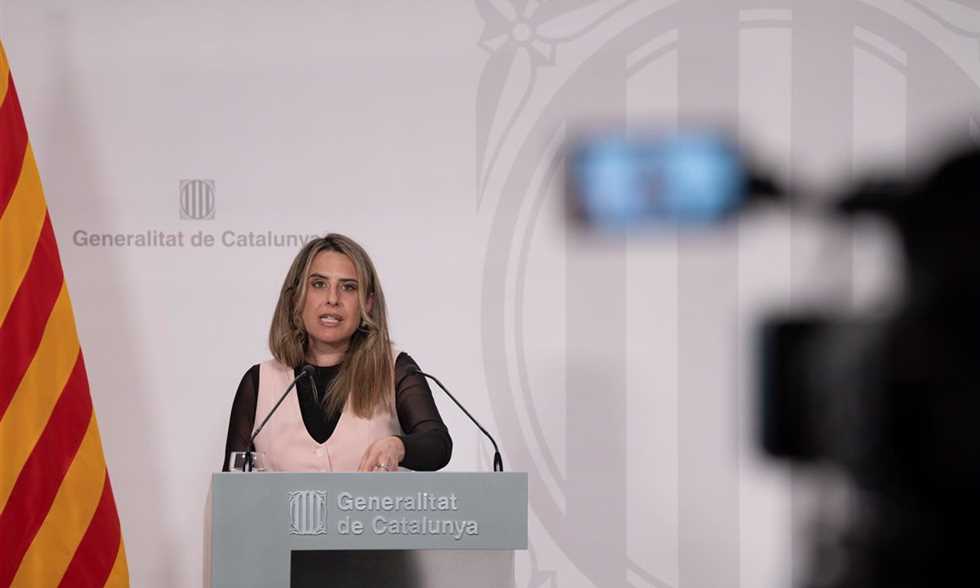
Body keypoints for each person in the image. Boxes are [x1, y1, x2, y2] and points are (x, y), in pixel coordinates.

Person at [222, 233, 452, 472]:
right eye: (319, 284)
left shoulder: (394, 370)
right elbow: (231, 483)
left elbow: (438, 444)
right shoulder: (260, 381)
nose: (332, 299)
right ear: (295, 297)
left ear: (368, 303)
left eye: (348, 287)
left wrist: (398, 446)